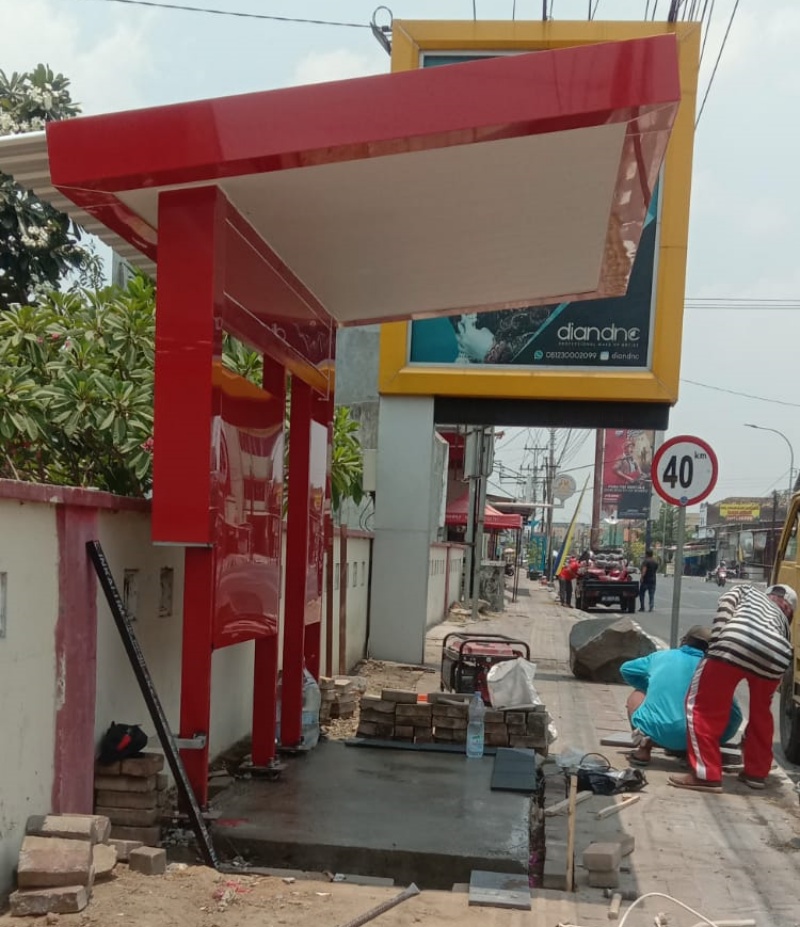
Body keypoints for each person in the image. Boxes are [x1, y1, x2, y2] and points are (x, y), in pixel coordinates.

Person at [669, 583, 797, 794]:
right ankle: (756, 774)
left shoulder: (746, 590)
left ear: (768, 594)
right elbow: (784, 644)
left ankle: (706, 774)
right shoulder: (784, 617)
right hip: (776, 655)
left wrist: (717, 643)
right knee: (761, 714)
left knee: (701, 706)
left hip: (735, 640)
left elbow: (726, 607)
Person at [620, 626, 742, 766]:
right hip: (698, 738)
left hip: (658, 732)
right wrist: (718, 738)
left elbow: (626, 669)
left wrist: (648, 687)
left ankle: (644, 748)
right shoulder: (716, 670)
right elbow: (736, 716)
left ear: (684, 641)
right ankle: (689, 752)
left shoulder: (661, 657)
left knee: (637, 694)